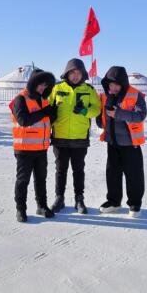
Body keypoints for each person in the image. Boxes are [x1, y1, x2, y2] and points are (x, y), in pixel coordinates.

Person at [48, 58, 101, 214]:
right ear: (67, 73)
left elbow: (97, 109)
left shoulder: (89, 90)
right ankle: (59, 198)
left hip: (80, 138)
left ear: (83, 74)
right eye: (72, 72)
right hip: (60, 136)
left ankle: (79, 199)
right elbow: (47, 106)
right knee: (61, 170)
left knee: (78, 170)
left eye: (78, 72)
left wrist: (84, 111)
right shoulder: (57, 88)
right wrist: (51, 114)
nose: (75, 75)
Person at [96, 66, 147, 218]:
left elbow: (141, 115)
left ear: (123, 84)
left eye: (116, 85)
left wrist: (119, 113)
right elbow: (101, 116)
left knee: (134, 175)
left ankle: (135, 204)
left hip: (130, 144)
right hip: (112, 142)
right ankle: (114, 201)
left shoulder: (135, 95)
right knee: (112, 174)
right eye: (110, 84)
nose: (113, 88)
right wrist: (100, 119)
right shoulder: (105, 96)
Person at [9, 69, 57, 223]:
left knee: (41, 179)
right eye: (40, 84)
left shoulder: (44, 100)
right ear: (33, 83)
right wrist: (44, 112)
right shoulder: (20, 99)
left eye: (45, 85)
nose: (43, 88)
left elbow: (45, 121)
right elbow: (23, 120)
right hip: (24, 149)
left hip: (41, 148)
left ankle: (41, 206)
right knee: (23, 180)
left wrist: (53, 113)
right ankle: (20, 209)